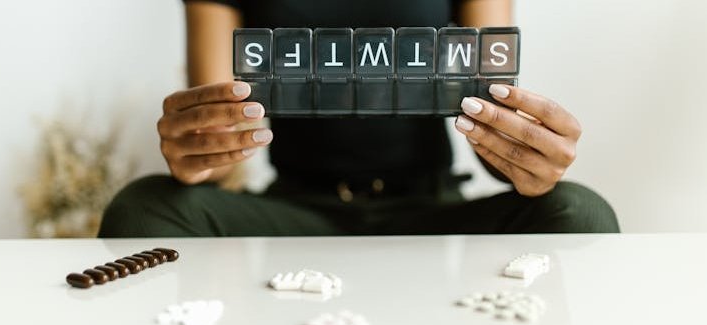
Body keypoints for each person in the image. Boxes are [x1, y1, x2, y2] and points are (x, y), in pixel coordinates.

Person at [98, 0, 619, 237]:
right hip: (295, 213)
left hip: (430, 211)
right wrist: (196, 154)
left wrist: (529, 159)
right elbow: (220, 142)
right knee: (143, 208)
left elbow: (492, 110)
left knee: (579, 211)